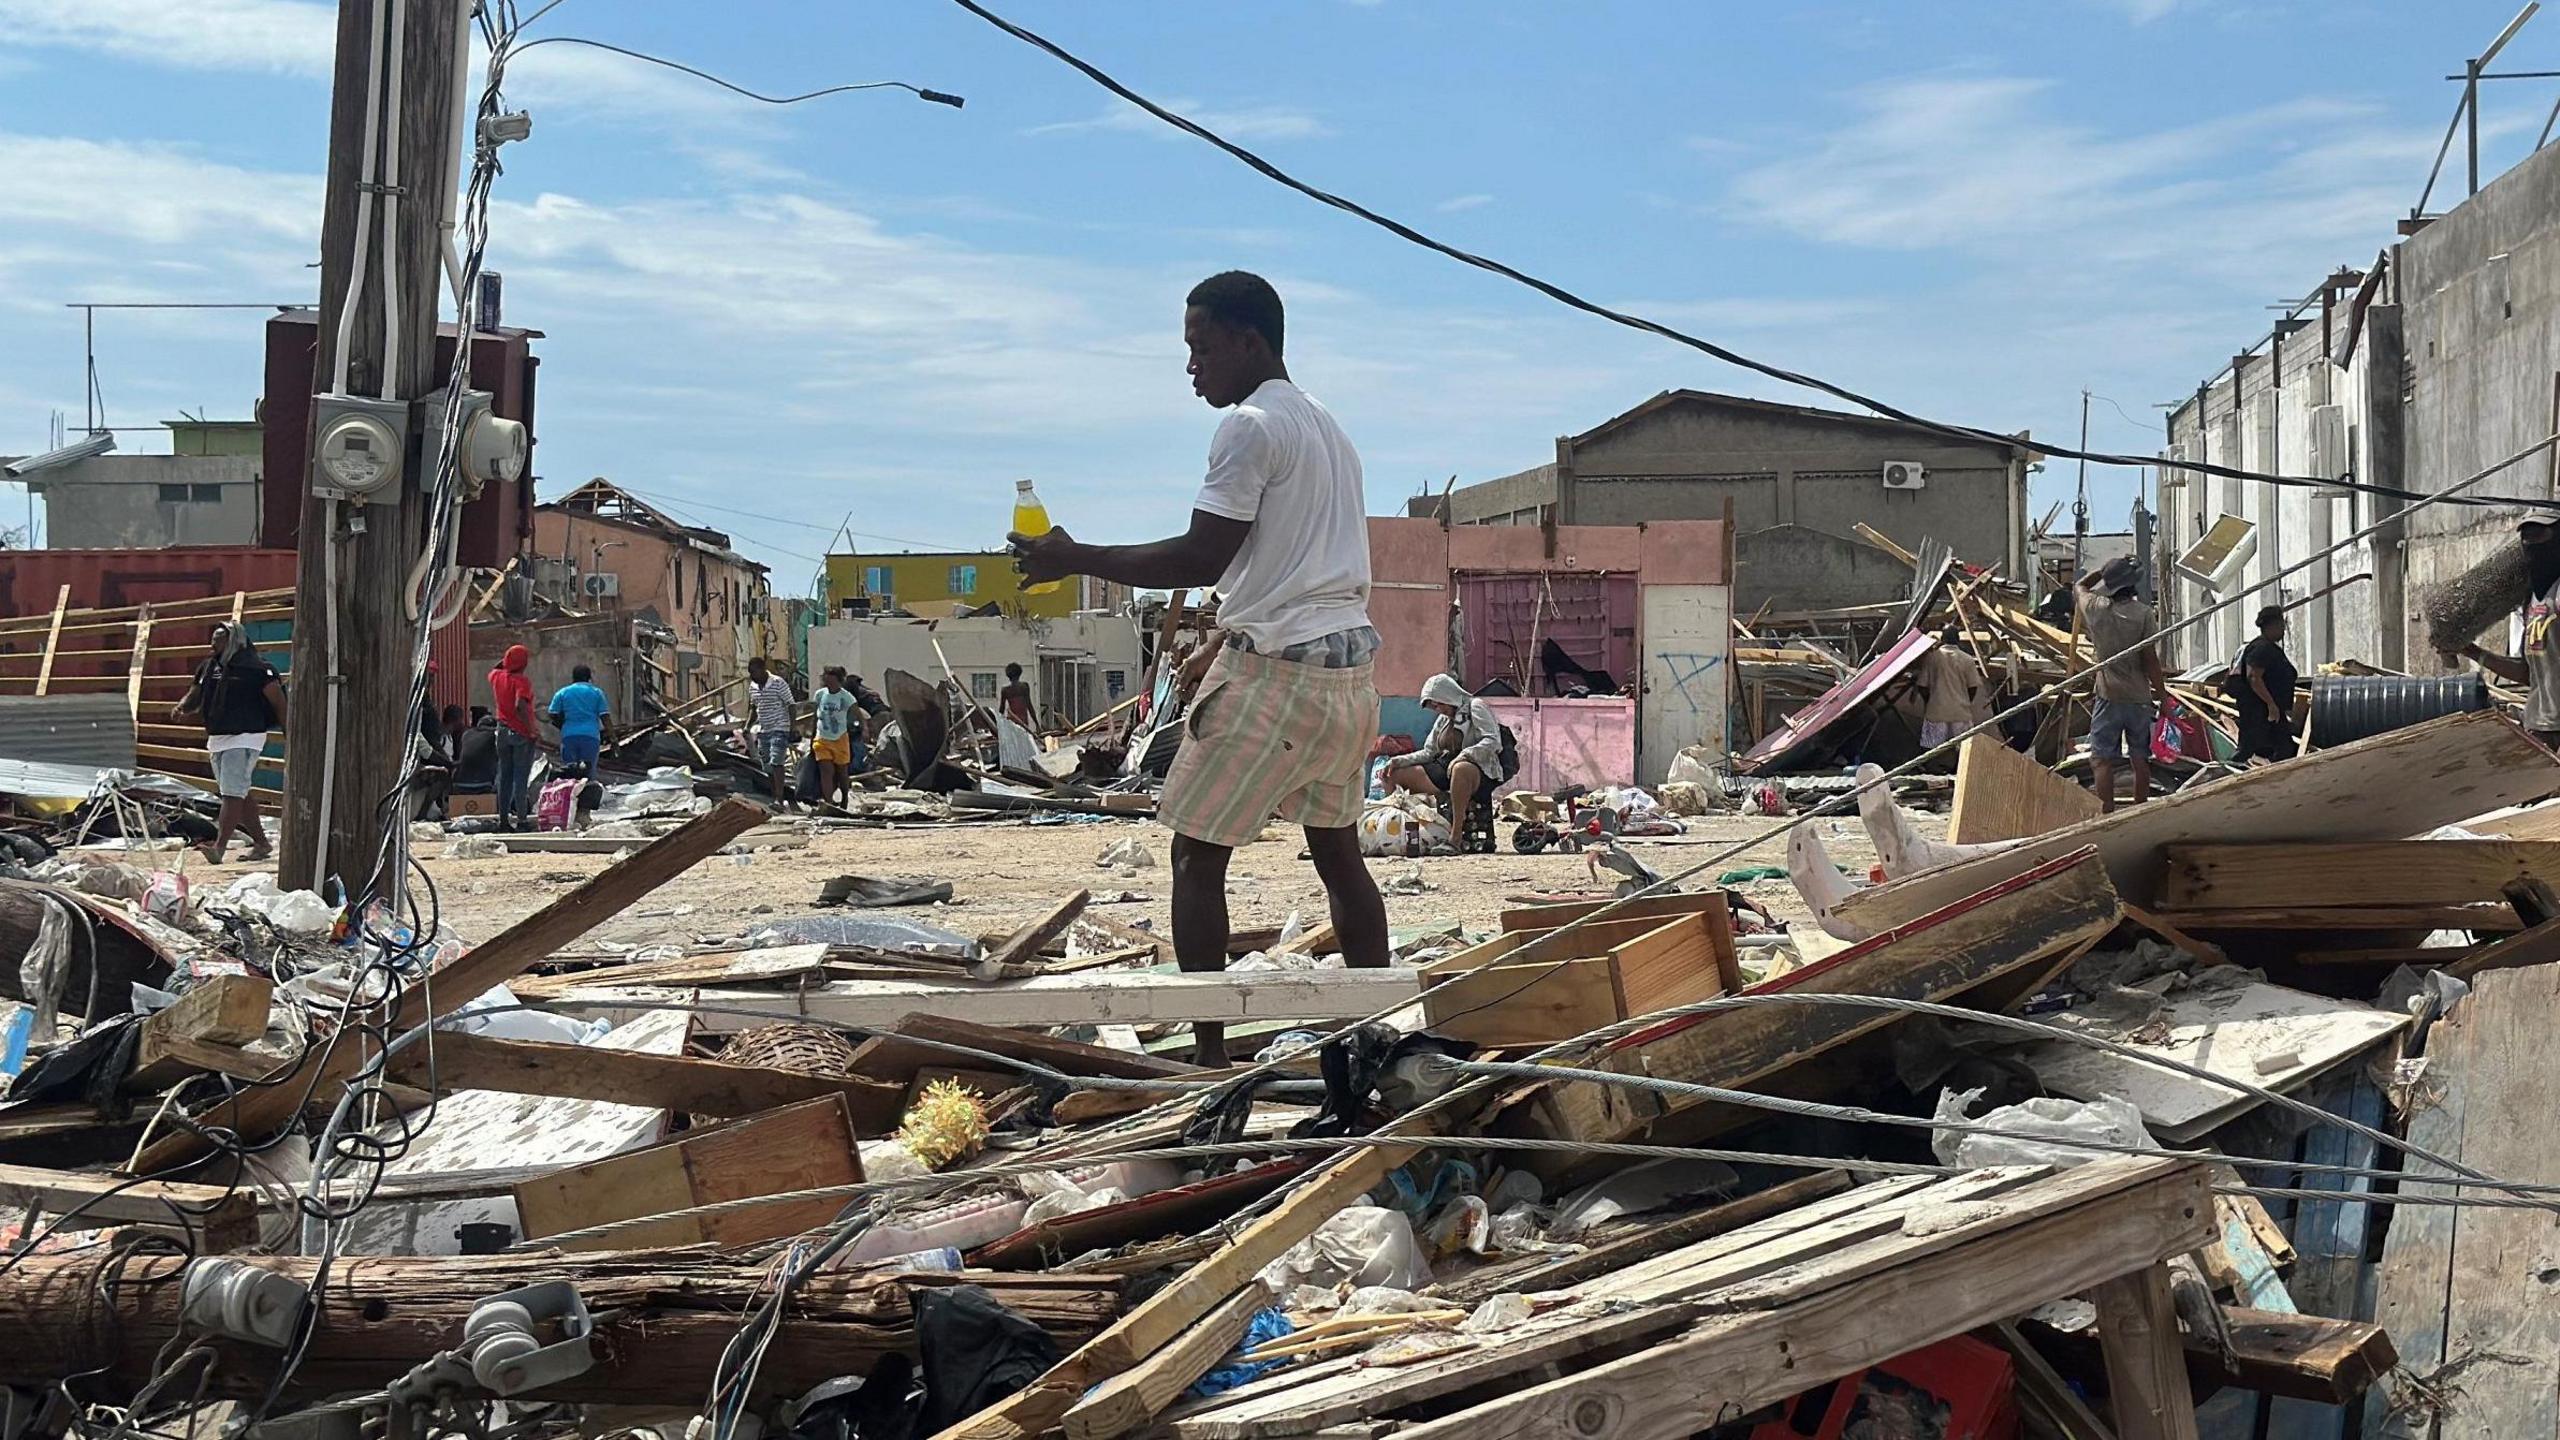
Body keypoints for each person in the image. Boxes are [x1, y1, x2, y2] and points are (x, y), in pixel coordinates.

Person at [1011, 269, 1390, 1066]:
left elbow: (1199, 553)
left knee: (1194, 852)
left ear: (1249, 342)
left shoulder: (1250, 426)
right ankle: (1378, 1034)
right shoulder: (1330, 428)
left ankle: (1210, 1056)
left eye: (1201, 347)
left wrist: (1072, 556)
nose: (1192, 366)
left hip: (1278, 679)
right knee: (1339, 856)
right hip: (1350, 675)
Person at [171, 622, 286, 864]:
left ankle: (219, 848)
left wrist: (290, 733)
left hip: (245, 736)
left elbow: (278, 703)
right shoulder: (209, 668)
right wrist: (182, 706)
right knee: (239, 792)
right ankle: (262, 843)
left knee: (231, 794)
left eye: (219, 639)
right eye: (213, 638)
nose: (213, 643)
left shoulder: (257, 669)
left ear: (234, 641)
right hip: (218, 738)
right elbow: (196, 694)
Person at [2075, 556, 2172, 812]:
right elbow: (2150, 660)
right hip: (2138, 697)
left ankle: (2107, 811)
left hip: (2108, 696)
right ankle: (2140, 808)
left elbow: (2080, 586)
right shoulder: (2143, 614)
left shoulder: (2095, 608)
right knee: (2139, 758)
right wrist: (2162, 697)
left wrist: (2103, 571)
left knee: (2102, 759)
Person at [2456, 515, 2560, 748]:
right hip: (2539, 725)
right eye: (2527, 536)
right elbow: (2527, 673)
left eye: (2541, 534)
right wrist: (2474, 652)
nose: (2531, 543)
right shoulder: (2531, 601)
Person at [1386, 673, 1505, 846]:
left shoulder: (1475, 706)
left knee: (1460, 768)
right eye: (1434, 707)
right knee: (1393, 773)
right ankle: (1400, 835)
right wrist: (1399, 760)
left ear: (1448, 696)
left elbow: (1492, 741)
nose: (1438, 709)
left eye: (1439, 704)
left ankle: (1455, 837)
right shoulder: (1443, 720)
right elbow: (1429, 752)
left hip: (1478, 770)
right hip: (1445, 769)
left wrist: (1465, 755)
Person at [2229, 605, 2300, 763]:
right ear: (2271, 626)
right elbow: (2254, 677)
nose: (2283, 631)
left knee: (2283, 747)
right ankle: (2228, 773)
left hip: (2269, 710)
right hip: (2259, 710)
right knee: (2248, 747)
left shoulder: (2268, 648)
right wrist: (2270, 704)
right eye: (2281, 626)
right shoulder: (2262, 648)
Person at [488, 643, 539, 830]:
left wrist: (507, 659)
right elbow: (521, 706)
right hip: (520, 733)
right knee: (520, 778)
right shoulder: (522, 681)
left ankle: (503, 821)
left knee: (505, 777)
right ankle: (522, 820)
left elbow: (496, 667)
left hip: (501, 731)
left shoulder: (496, 677)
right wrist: (531, 729)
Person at [1917, 627, 1990, 750]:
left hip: (1936, 713)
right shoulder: (1967, 659)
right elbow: (1973, 687)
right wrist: (1965, 701)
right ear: (1958, 639)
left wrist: (1929, 701)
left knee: (1931, 751)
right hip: (1960, 714)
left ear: (1942, 639)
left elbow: (1922, 686)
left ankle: (1933, 768)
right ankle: (1956, 769)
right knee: (1964, 750)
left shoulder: (1932, 658)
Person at [746, 657, 796, 809]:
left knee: (777, 762)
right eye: (750, 673)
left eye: (754, 672)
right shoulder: (753, 687)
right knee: (767, 766)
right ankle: (775, 795)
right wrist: (748, 725)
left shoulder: (778, 683)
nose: (752, 676)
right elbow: (754, 708)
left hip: (780, 727)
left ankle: (779, 799)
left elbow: (791, 705)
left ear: (762, 669)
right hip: (764, 729)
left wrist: (792, 727)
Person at [547, 664, 613, 775]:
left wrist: (562, 725)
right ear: (589, 678)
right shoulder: (597, 693)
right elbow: (605, 717)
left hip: (569, 736)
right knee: (588, 773)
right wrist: (613, 739)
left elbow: (552, 713)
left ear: (573, 678)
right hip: (590, 737)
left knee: (569, 773)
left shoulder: (563, 692)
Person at [812, 665, 862, 804]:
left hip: (840, 738)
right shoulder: (820, 694)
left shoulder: (846, 697)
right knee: (826, 771)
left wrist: (863, 729)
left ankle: (845, 797)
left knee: (841, 772)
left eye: (832, 680)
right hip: (822, 738)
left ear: (838, 680)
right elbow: (815, 715)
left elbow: (857, 714)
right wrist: (811, 735)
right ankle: (828, 801)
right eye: (826, 679)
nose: (828, 683)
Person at [999, 662, 1036, 732]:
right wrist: (1037, 724)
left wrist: (999, 725)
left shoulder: (1005, 690)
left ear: (1008, 676)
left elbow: (1001, 710)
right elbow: (1029, 706)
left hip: (1011, 722)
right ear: (1019, 674)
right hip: (1023, 721)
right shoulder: (1024, 687)